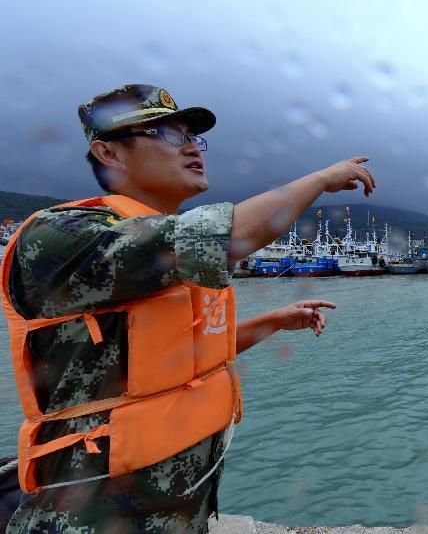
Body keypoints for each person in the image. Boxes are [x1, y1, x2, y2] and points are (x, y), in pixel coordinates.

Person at [0, 84, 376, 532]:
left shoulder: (159, 244)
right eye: (167, 134)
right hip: (92, 518)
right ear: (108, 153)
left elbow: (179, 358)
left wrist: (271, 323)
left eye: (193, 137)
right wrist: (318, 179)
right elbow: (224, 236)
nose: (193, 148)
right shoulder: (62, 234)